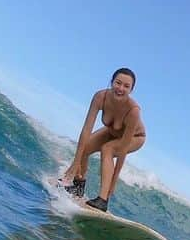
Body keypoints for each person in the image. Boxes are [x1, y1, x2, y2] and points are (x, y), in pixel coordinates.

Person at [61, 68, 146, 212]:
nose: (121, 88)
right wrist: (75, 164)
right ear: (112, 82)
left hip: (134, 138)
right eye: (118, 83)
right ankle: (78, 185)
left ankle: (102, 200)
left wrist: (113, 182)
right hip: (111, 131)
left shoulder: (134, 111)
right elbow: (86, 130)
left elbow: (123, 149)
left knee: (108, 148)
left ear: (131, 90)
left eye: (126, 86)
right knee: (85, 147)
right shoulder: (100, 97)